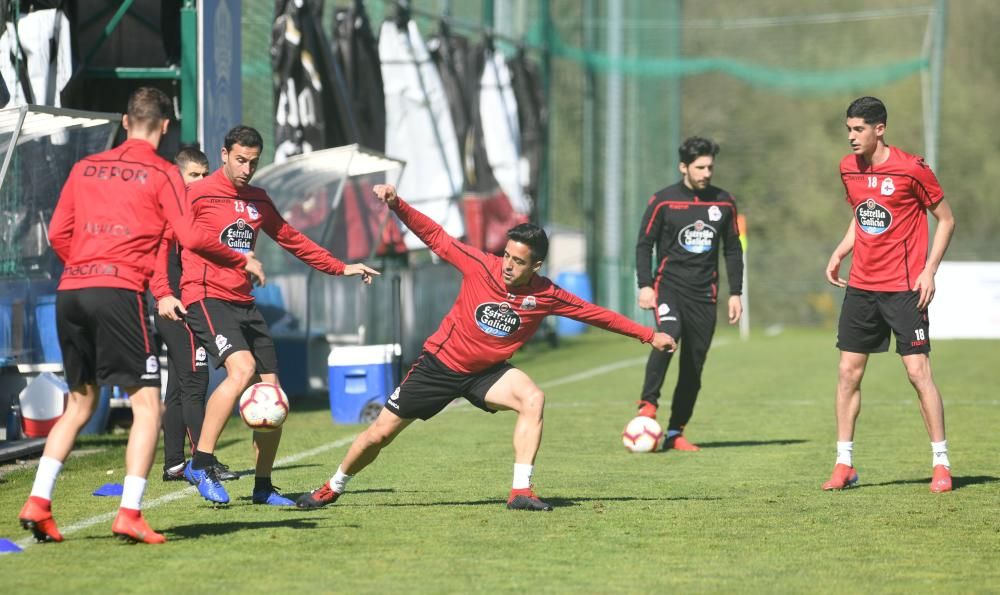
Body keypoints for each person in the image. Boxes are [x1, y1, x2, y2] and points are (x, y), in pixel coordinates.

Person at [296, 183, 676, 513]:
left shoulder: (547, 294)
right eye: (507, 256)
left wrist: (649, 335)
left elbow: (596, 315)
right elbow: (437, 237)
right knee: (380, 434)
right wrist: (397, 204)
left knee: (533, 398)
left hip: (486, 374)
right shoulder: (481, 265)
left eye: (518, 261)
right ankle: (333, 486)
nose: (508, 265)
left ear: (537, 265)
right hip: (438, 366)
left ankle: (521, 490)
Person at [18, 87, 265, 545]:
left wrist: (86, 266)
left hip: (71, 289)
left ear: (126, 121)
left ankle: (39, 500)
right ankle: (130, 512)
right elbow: (189, 236)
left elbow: (58, 232)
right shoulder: (163, 172)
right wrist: (239, 258)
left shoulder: (85, 166)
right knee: (147, 404)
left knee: (80, 403)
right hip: (117, 293)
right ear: (166, 127)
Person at [170, 125, 380, 506]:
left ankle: (263, 487)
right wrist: (162, 292)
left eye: (253, 161)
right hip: (204, 295)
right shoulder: (196, 194)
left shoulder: (257, 200)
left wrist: (340, 266)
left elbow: (291, 238)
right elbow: (170, 238)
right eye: (240, 160)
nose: (247, 168)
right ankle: (200, 462)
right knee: (241, 370)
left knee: (273, 396)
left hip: (243, 302)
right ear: (223, 154)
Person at [823, 96, 955, 493]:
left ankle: (941, 464)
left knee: (918, 374)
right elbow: (863, 214)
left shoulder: (912, 169)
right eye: (848, 129)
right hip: (861, 288)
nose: (851, 137)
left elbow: (946, 220)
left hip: (903, 289)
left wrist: (929, 270)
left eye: (858, 129)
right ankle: (844, 463)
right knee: (848, 373)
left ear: (879, 129)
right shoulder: (848, 169)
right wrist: (840, 251)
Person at [633, 136, 743, 451]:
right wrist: (645, 284)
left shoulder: (724, 202)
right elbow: (644, 243)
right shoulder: (663, 201)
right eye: (700, 167)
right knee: (668, 337)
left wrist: (736, 292)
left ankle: (674, 432)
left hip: (704, 295)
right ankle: (647, 405)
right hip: (668, 287)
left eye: (710, 166)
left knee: (694, 364)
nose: (707, 172)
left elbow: (733, 250)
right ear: (684, 167)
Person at [154, 147, 237, 483]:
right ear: (179, 177)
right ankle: (205, 462)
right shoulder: (175, 212)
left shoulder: (193, 210)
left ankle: (174, 464)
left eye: (205, 174)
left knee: (176, 388)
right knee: (196, 382)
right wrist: (164, 294)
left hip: (174, 304)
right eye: (194, 175)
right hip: (178, 306)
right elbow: (158, 255)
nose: (201, 181)